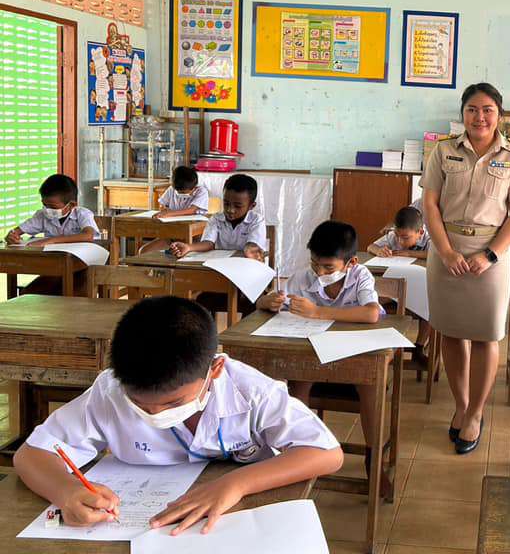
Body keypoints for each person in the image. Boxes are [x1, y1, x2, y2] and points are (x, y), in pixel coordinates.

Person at [13, 296, 343, 534]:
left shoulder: (251, 391)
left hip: (237, 519)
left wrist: (236, 484)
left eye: (172, 404)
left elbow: (326, 453)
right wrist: (66, 491)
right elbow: (31, 455)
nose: (154, 413)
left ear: (215, 369)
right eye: (139, 404)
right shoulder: (110, 390)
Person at [421, 83, 510, 454]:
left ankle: (475, 413)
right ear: (463, 113)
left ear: (499, 115)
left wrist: (490, 255)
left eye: (487, 110)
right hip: (447, 251)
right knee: (452, 333)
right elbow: (430, 204)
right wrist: (446, 252)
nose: (479, 117)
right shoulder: (443, 151)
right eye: (472, 109)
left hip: (491, 255)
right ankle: (461, 404)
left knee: (486, 335)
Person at [256, 221, 387, 483]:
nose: (319, 272)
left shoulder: (360, 275)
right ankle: (298, 454)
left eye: (328, 267)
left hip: (352, 355)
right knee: (298, 383)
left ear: (350, 263)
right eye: (315, 264)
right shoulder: (302, 278)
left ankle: (374, 458)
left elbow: (372, 313)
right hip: (312, 355)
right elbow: (265, 302)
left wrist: (317, 312)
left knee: (370, 386)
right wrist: (268, 302)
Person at [5, 174, 98, 295]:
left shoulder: (83, 214)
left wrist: (50, 241)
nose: (47, 209)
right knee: (27, 293)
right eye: (45, 205)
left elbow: (88, 235)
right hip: (56, 269)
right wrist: (12, 235)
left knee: (72, 296)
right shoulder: (42, 215)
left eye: (52, 206)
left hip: (85, 269)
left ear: (71, 205)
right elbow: (17, 231)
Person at [367, 206, 433, 364]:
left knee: (431, 306)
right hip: (395, 293)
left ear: (420, 232)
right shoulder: (393, 236)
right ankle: (378, 344)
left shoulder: (429, 238)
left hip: (420, 291)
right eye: (397, 236)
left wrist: (410, 253)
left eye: (405, 237)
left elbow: (434, 253)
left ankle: (419, 347)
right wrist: (379, 251)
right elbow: (370, 247)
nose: (399, 241)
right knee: (372, 299)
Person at [171, 174, 266, 261]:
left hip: (245, 265)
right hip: (221, 265)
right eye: (226, 203)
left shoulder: (257, 220)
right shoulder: (216, 219)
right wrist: (189, 247)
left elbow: (253, 244)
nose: (230, 210)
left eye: (237, 206)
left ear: (251, 206)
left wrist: (250, 249)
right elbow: (208, 243)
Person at [139, 166, 210, 254]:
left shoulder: (201, 191)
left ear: (194, 187)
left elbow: (192, 210)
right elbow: (162, 204)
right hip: (172, 235)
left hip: (194, 237)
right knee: (143, 251)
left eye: (184, 192)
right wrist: (163, 210)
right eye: (178, 192)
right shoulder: (172, 189)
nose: (181, 194)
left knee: (185, 255)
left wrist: (169, 213)